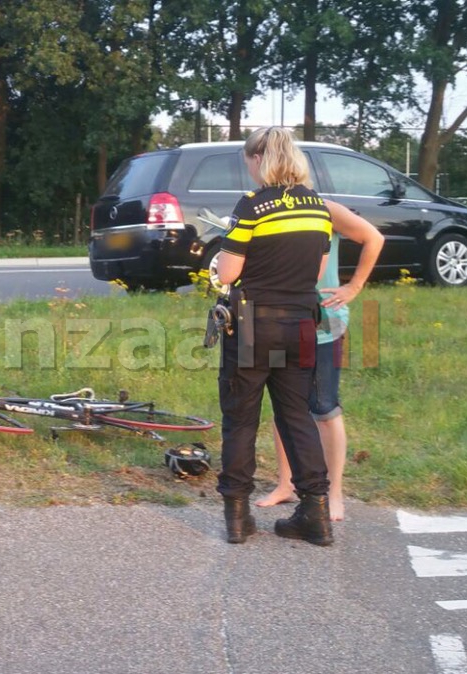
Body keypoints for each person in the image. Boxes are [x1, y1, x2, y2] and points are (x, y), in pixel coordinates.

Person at [213, 126, 333, 546]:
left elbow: (228, 273)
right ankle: (316, 513)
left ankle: (237, 517)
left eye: (249, 162)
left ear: (258, 159)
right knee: (297, 416)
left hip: (252, 325)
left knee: (242, 418)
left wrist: (220, 263)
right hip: (299, 322)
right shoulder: (318, 208)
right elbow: (316, 274)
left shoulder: (252, 206)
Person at [254, 202, 384, 521]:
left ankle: (333, 494)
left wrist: (353, 287)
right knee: (283, 408)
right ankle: (286, 485)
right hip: (279, 317)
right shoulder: (263, 208)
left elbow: (373, 238)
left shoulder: (325, 209)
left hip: (323, 318)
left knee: (324, 409)